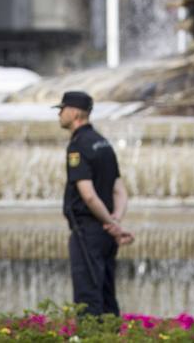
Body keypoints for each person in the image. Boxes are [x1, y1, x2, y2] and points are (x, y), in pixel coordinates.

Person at [55, 89, 133, 316]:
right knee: (107, 295)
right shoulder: (103, 143)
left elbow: (87, 195)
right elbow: (120, 190)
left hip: (87, 231)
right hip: (106, 233)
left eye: (62, 109)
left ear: (74, 112)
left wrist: (110, 222)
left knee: (87, 298)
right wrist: (115, 221)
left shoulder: (78, 146)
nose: (59, 114)